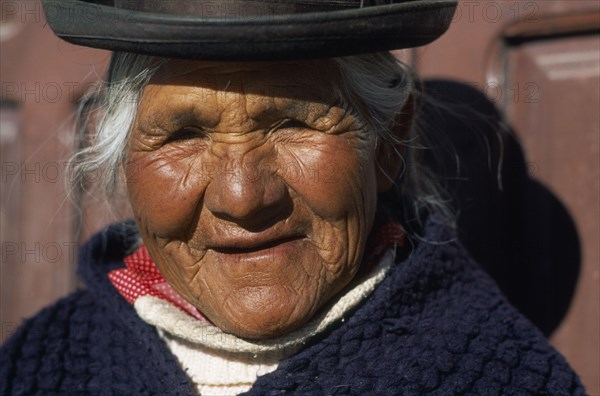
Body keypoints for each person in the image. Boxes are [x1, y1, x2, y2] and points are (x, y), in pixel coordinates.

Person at [0, 0, 585, 394]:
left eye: (293, 125)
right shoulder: (38, 369)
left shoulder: (505, 376)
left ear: (388, 142)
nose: (243, 196)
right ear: (124, 158)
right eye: (183, 134)